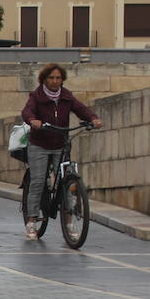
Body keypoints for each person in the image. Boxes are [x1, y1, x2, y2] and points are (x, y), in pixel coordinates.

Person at [20, 62, 102, 240]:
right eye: (51, 78)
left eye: (58, 78)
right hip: (39, 143)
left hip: (60, 143)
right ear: (44, 79)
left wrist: (93, 118)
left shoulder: (66, 96)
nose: (55, 81)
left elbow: (81, 109)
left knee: (69, 183)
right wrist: (33, 120)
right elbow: (27, 111)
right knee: (38, 181)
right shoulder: (37, 96)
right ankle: (32, 221)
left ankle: (69, 222)